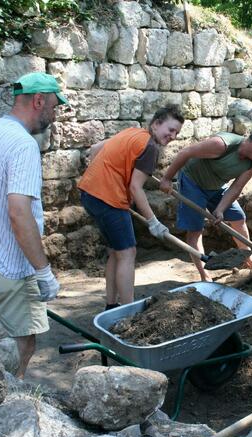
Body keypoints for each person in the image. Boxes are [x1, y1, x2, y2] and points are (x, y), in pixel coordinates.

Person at [0, 72, 67, 379]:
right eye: (53, 106)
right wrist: (42, 271)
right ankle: (9, 409)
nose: (54, 114)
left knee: (1, 342)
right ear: (38, 101)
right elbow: (19, 213)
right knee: (21, 347)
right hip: (11, 265)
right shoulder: (23, 145)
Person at [78, 105, 184, 310]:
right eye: (170, 130)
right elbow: (136, 188)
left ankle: (111, 305)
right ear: (156, 123)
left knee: (116, 252)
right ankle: (129, 311)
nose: (173, 136)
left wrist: (101, 173)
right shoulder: (151, 147)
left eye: (177, 133)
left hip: (89, 193)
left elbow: (95, 149)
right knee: (128, 253)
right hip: (109, 199)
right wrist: (153, 221)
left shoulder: (132, 132)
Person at [159, 128, 252, 282]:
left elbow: (235, 188)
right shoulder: (222, 144)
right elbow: (185, 153)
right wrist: (167, 178)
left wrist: (220, 209)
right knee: (195, 230)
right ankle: (204, 274)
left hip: (216, 186)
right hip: (193, 183)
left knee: (238, 218)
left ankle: (249, 260)